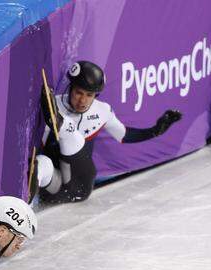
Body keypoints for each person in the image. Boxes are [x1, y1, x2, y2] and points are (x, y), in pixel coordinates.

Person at [34, 61, 182, 203]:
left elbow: (124, 135)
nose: (83, 100)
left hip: (80, 186)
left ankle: (61, 123)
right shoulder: (54, 103)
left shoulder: (102, 110)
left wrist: (155, 131)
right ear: (70, 88)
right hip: (56, 189)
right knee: (42, 163)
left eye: (89, 95)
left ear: (95, 96)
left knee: (75, 138)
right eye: (79, 93)